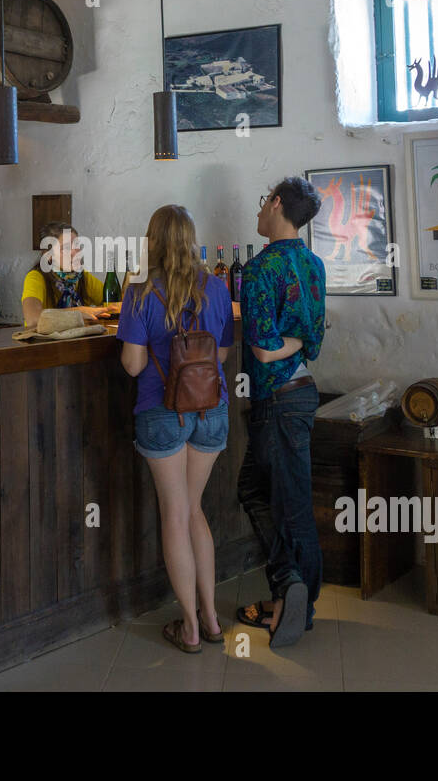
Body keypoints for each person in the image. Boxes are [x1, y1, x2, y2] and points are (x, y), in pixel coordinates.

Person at [117, 205, 234, 653]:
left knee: (175, 515)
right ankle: (211, 617)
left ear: (152, 242)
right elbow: (221, 357)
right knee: (195, 511)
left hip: (163, 414)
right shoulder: (218, 288)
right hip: (211, 410)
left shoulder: (141, 292)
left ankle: (187, 626)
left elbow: (132, 365)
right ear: (191, 239)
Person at [235, 177, 327, 648]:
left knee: (286, 505)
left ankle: (296, 598)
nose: (257, 213)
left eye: (260, 203)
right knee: (261, 490)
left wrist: (283, 346)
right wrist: (297, 343)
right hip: (304, 391)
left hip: (276, 400)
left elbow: (263, 349)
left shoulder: (259, 270)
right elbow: (314, 340)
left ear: (275, 204)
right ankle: (294, 592)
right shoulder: (313, 264)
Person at [21, 221, 109, 327]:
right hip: (45, 343)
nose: (75, 252)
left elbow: (114, 302)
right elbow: (33, 319)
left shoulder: (82, 277)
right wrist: (77, 312)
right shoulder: (35, 277)